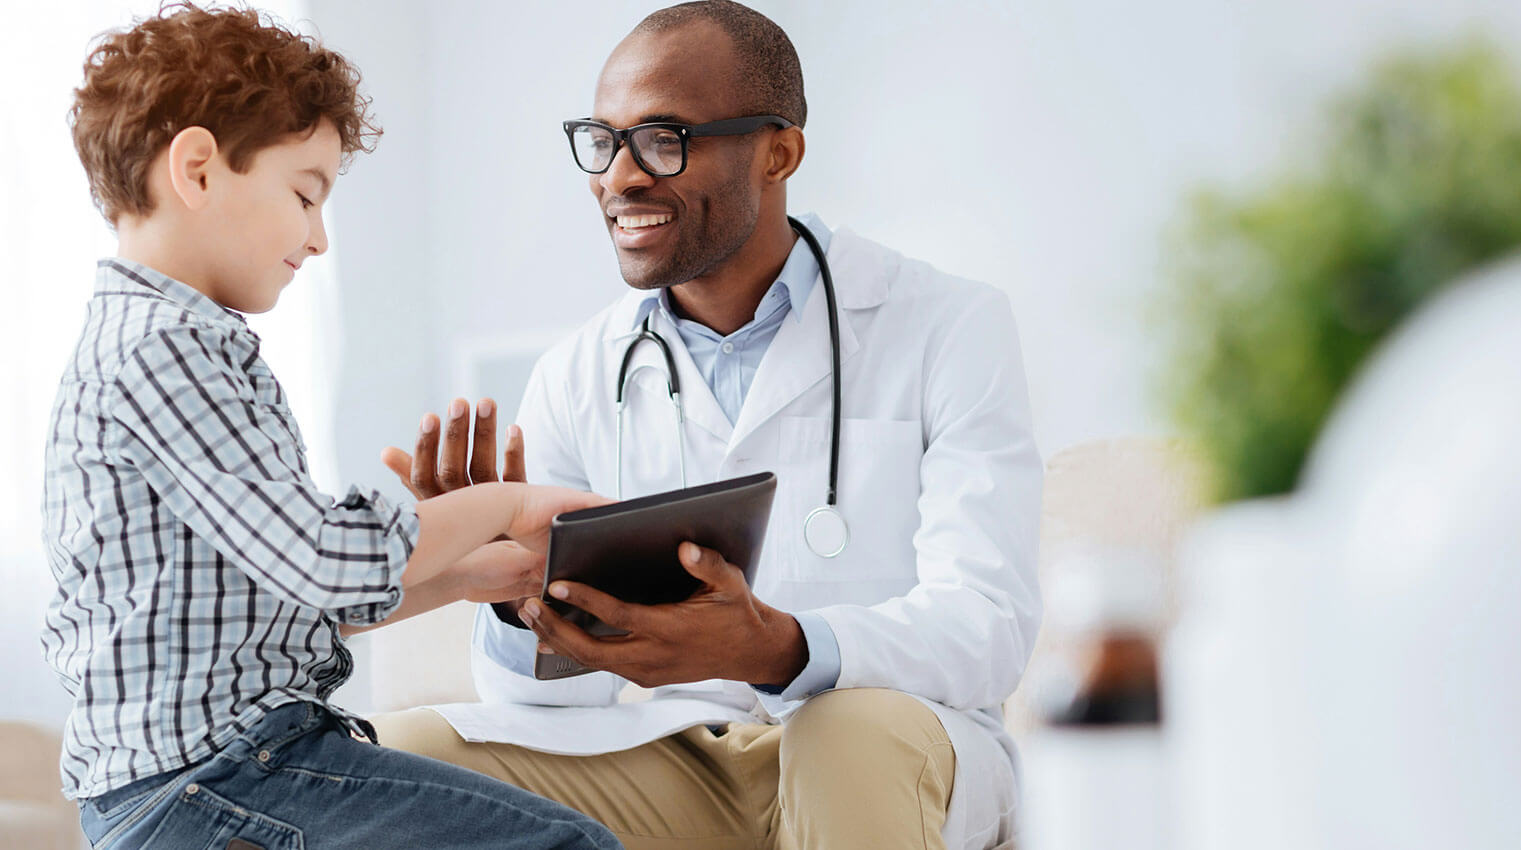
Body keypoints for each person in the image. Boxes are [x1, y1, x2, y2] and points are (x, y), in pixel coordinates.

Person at [372, 2, 1043, 848]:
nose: (618, 177)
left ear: (779, 151)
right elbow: (545, 705)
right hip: (683, 756)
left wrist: (778, 647)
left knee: (843, 734)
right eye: (602, 140)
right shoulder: (579, 373)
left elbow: (987, 625)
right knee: (407, 755)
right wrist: (513, 594)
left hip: (890, 739)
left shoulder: (948, 325)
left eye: (662, 138)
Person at [39, 6, 622, 848]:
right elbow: (325, 560)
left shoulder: (160, 348)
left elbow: (279, 606)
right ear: (197, 170)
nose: (317, 239)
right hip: (208, 787)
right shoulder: (165, 351)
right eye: (305, 194)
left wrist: (469, 577)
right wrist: (508, 503)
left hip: (193, 789)